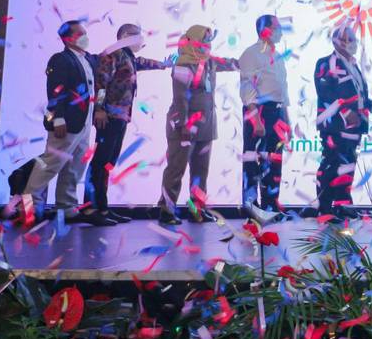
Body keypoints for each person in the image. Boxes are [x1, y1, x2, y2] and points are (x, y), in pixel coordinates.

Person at [84, 23, 169, 226]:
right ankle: (93, 209)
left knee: (108, 162)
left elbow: (141, 62)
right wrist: (100, 109)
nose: (140, 40)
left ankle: (103, 208)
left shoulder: (128, 56)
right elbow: (102, 83)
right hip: (110, 116)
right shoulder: (113, 54)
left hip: (121, 116)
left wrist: (163, 64)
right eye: (136, 36)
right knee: (100, 162)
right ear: (124, 36)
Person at [17, 21, 99, 223]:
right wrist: (58, 118)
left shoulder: (88, 59)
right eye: (80, 33)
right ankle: (28, 208)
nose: (85, 36)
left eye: (85, 32)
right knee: (50, 165)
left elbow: (95, 87)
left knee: (75, 165)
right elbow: (55, 90)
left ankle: (67, 206)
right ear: (68, 37)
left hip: (84, 120)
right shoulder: (60, 59)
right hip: (66, 121)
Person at [160, 25, 238, 225]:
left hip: (206, 126)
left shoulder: (209, 62)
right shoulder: (183, 66)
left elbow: (231, 63)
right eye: (204, 41)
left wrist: (252, 63)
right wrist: (184, 125)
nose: (208, 45)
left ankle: (197, 209)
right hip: (184, 127)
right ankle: (166, 210)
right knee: (176, 168)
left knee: (200, 171)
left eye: (209, 41)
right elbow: (180, 99)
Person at [314, 23, 372, 218]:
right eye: (349, 40)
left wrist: (371, 105)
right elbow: (325, 92)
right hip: (335, 126)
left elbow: (356, 94)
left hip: (354, 126)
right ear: (338, 41)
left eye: (354, 40)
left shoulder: (353, 65)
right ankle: (325, 208)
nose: (353, 44)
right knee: (331, 164)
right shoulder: (326, 63)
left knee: (348, 164)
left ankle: (343, 204)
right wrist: (344, 111)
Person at [239, 14, 290, 223]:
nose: (280, 31)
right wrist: (255, 120)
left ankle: (270, 204)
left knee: (274, 161)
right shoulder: (251, 54)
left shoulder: (277, 55)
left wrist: (286, 119)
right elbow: (247, 86)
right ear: (264, 29)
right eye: (276, 27)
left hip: (277, 113)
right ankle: (251, 209)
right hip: (258, 112)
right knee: (254, 162)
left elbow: (283, 90)